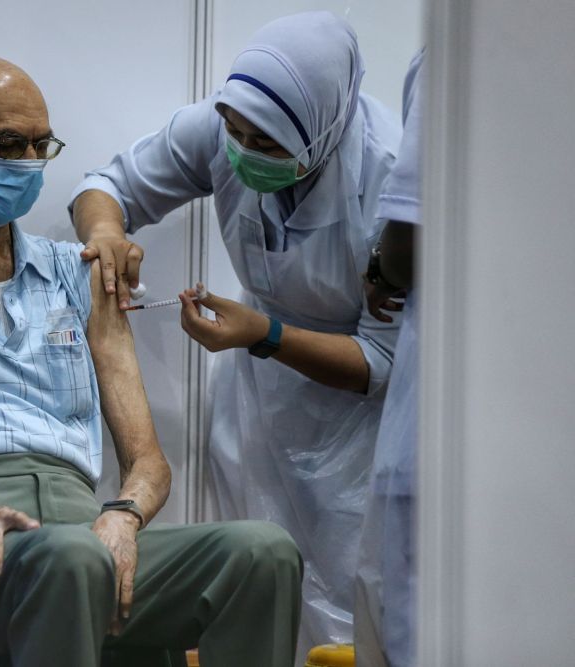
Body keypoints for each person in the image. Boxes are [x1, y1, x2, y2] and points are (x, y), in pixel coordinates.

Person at [0, 56, 302, 667]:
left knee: (261, 552)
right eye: (5, 145)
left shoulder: (73, 275)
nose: (26, 164)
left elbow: (147, 460)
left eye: (39, 146)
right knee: (69, 560)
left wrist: (124, 518)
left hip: (80, 533)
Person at [69, 12, 402, 653]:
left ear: (325, 127)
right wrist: (108, 234)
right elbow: (104, 186)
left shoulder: (387, 178)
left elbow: (381, 361)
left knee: (349, 611)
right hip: (256, 402)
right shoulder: (229, 124)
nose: (244, 152)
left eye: (270, 146)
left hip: (359, 428)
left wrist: (265, 334)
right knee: (256, 580)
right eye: (234, 132)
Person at [354, 50, 425, 667]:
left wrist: (264, 333)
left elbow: (408, 239)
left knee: (409, 626)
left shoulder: (456, 54)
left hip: (426, 422)